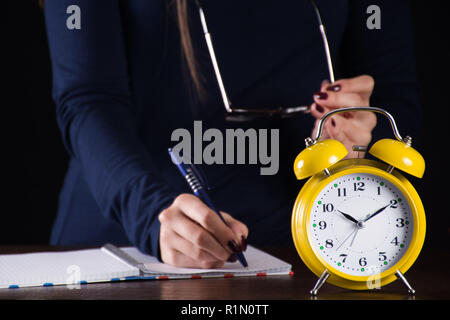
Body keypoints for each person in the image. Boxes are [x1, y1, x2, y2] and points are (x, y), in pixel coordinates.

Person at [43, 0, 421, 268]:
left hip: (319, 247)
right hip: (125, 249)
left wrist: (363, 135)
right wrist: (149, 213)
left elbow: (393, 95)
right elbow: (87, 98)